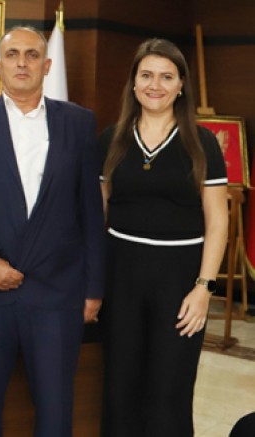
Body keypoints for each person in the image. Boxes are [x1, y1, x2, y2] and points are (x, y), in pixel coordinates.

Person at [0, 27, 105, 436]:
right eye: (13, 54)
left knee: (55, 413)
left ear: (47, 65)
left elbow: (90, 210)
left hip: (58, 293)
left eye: (32, 55)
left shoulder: (78, 123)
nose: (23, 63)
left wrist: (93, 289)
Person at [100, 38, 227, 437]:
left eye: (166, 77)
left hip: (180, 282)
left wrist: (204, 288)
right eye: (146, 75)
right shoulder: (111, 139)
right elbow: (99, 214)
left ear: (181, 85)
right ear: (133, 82)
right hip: (121, 279)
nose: (155, 85)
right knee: (119, 390)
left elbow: (218, 222)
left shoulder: (203, 143)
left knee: (168, 394)